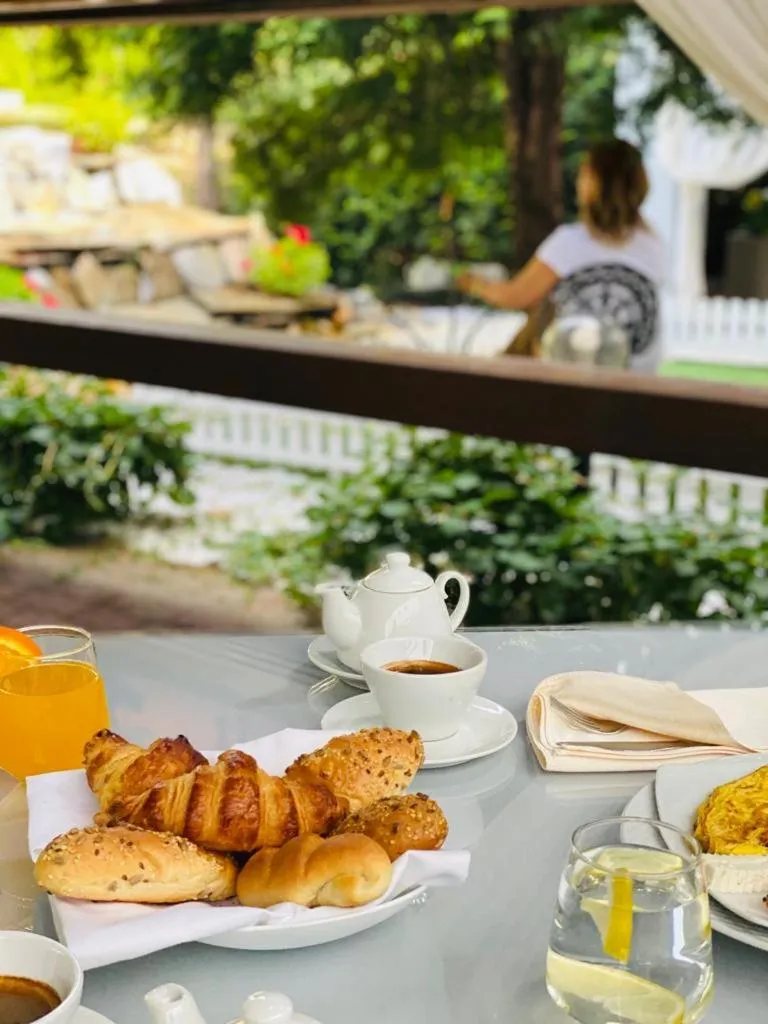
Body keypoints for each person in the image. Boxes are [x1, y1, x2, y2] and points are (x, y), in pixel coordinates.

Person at [456, 138, 665, 483]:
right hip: (635, 381)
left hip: (577, 386)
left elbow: (515, 297)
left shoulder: (570, 242)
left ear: (593, 184)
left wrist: (474, 284)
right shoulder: (653, 244)